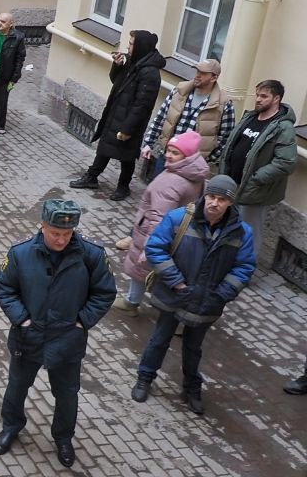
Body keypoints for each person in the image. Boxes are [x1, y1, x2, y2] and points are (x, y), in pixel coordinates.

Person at [0, 199, 116, 468]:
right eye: (55, 233)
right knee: (17, 386)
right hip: (29, 337)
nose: (61, 240)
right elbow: (5, 288)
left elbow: (104, 293)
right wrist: (22, 319)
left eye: (67, 234)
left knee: (67, 394)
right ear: (43, 226)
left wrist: (83, 321)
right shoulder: (20, 254)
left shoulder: (91, 255)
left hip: (67, 340)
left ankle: (63, 438)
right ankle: (11, 426)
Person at [129, 176, 255, 415]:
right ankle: (145, 378)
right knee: (159, 340)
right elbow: (156, 248)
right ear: (205, 196)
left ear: (230, 203)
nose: (214, 203)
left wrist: (222, 294)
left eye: (222, 199)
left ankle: (191, 387)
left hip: (208, 301)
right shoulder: (179, 218)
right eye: (211, 196)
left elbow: (245, 267)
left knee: (193, 348)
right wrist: (176, 282)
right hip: (174, 294)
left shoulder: (242, 232)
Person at [114, 131, 209, 316]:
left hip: (155, 234)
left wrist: (148, 248)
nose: (168, 155)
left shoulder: (171, 182)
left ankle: (133, 303)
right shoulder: (197, 175)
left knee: (141, 269)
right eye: (169, 150)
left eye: (175, 153)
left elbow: (158, 217)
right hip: (180, 235)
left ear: (187, 156)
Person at [69, 30, 166, 201]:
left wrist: (128, 128)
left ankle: (123, 186)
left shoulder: (150, 73)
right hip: (116, 113)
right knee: (105, 146)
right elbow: (116, 81)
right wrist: (117, 66)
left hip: (130, 120)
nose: (128, 46)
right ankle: (92, 176)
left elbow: (142, 105)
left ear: (140, 47)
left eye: (131, 44)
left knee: (126, 155)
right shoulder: (134, 62)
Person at [218, 79, 297, 263]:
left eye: (264, 96)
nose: (258, 99)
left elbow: (286, 162)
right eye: (257, 95)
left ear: (276, 98)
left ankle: (243, 271)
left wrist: (256, 179)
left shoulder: (283, 127)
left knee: (249, 232)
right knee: (227, 226)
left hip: (254, 190)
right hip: (233, 183)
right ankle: (223, 263)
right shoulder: (251, 117)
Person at [139, 58, 233, 181]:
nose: (198, 75)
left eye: (203, 73)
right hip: (167, 157)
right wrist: (148, 144)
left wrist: (206, 158)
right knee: (158, 194)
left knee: (182, 199)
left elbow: (226, 137)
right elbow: (160, 118)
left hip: (192, 165)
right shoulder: (179, 91)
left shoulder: (224, 104)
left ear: (214, 78)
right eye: (197, 71)